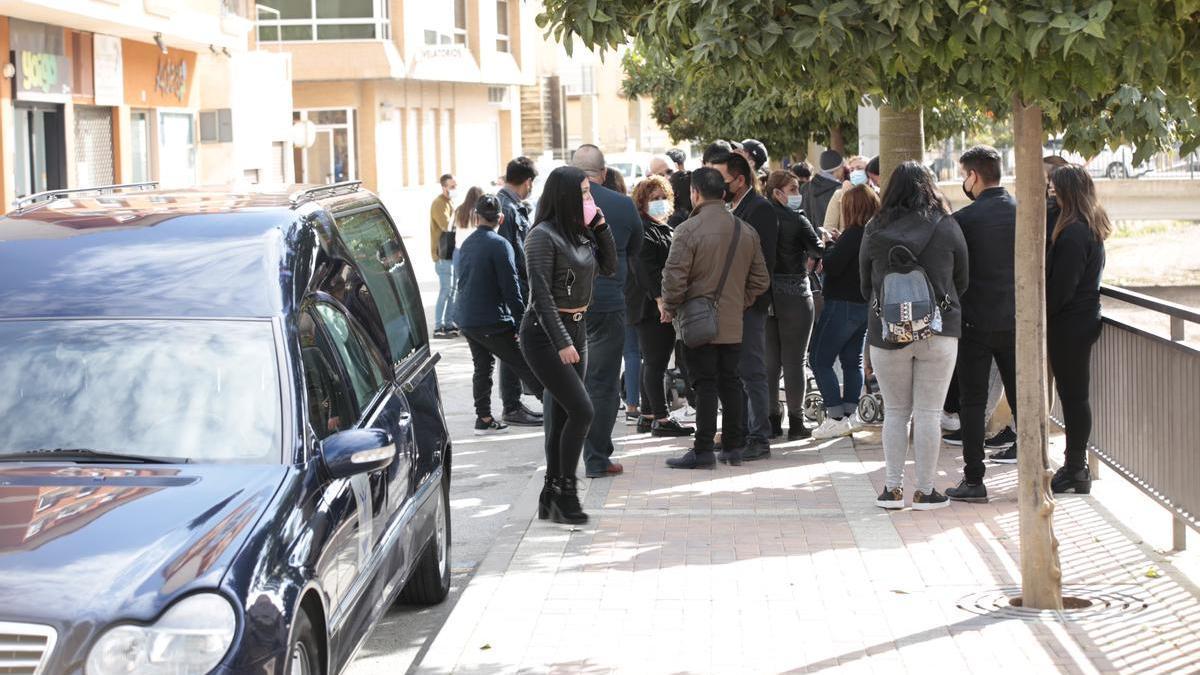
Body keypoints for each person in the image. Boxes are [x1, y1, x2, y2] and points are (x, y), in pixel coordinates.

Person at [860, 161, 969, 511]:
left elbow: (865, 285)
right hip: (938, 330)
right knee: (928, 412)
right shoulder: (947, 225)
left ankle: (891, 490)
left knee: (895, 411)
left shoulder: (874, 228)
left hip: (887, 331)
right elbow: (963, 279)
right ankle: (925, 490)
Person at [521, 166, 617, 523]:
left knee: (562, 416)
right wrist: (561, 341)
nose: (590, 199)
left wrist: (601, 226)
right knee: (583, 410)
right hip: (545, 333)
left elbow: (610, 267)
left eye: (590, 192)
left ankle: (551, 496)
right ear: (564, 197)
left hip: (578, 328)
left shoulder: (580, 234)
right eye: (583, 193)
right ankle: (566, 494)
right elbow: (541, 296)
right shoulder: (541, 237)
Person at [660, 167, 770, 469]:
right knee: (731, 382)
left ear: (695, 193)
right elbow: (761, 281)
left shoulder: (686, 231)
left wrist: (671, 306)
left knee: (705, 384)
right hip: (734, 322)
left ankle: (704, 449)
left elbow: (674, 278)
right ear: (723, 194)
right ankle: (733, 447)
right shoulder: (745, 231)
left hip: (697, 323)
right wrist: (738, 301)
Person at [943, 146, 1021, 505]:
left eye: (964, 175)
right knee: (1023, 399)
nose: (964, 183)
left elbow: (953, 273)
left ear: (973, 176)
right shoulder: (1023, 212)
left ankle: (974, 478)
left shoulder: (965, 220)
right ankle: (1035, 471)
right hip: (1018, 320)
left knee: (972, 402)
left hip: (974, 322)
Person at [573, 145, 643, 479]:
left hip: (563, 305)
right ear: (603, 172)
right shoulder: (621, 204)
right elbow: (637, 247)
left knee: (562, 382)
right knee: (601, 384)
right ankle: (597, 458)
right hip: (606, 303)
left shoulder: (553, 203)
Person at [454, 194, 545, 435]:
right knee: (524, 363)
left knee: (482, 366)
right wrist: (520, 322)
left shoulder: (466, 244)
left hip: (468, 318)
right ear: (501, 218)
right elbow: (511, 288)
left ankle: (483, 418)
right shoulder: (500, 244)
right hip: (491, 320)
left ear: (476, 217)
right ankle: (558, 408)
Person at [710, 152, 779, 461]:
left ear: (740, 179)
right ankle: (737, 431)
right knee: (734, 372)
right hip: (729, 304)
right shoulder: (729, 207)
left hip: (748, 305)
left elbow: (763, 264)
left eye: (722, 180)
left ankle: (759, 437)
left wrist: (747, 300)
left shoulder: (760, 209)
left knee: (752, 371)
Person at [1045, 165, 1110, 495]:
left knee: (1073, 397)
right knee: (1075, 396)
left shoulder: (1072, 232)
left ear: (1067, 193)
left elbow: (1061, 289)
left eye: (1055, 190)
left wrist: (1042, 314)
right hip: (1082, 319)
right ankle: (1076, 466)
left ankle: (1075, 468)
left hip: (1069, 323)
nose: (1050, 195)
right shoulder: (1090, 224)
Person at [627, 175, 695, 437]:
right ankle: (662, 418)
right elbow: (647, 269)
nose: (659, 202)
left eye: (663, 197)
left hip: (655, 303)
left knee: (652, 361)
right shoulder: (644, 229)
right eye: (653, 198)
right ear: (642, 202)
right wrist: (660, 300)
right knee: (656, 363)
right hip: (652, 306)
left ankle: (648, 414)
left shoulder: (660, 226)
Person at [810, 185, 876, 440]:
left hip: (841, 304)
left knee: (819, 359)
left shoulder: (853, 234)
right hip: (862, 305)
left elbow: (834, 266)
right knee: (852, 360)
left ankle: (836, 416)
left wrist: (828, 245)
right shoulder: (871, 233)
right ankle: (851, 414)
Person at [763, 170, 823, 440]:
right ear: (778, 192)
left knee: (770, 362)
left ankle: (772, 418)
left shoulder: (758, 217)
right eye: (793, 189)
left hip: (765, 295)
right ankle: (797, 422)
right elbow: (818, 248)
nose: (797, 195)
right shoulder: (797, 220)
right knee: (795, 361)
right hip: (795, 293)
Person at [496, 156, 544, 427]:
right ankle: (512, 405)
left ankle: (514, 403)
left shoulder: (511, 205)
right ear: (527, 182)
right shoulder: (508, 208)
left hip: (518, 286)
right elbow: (511, 255)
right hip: (513, 288)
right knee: (512, 346)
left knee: (514, 346)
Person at [430, 173, 458, 338]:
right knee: (445, 290)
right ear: (444, 187)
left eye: (455, 186)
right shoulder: (439, 204)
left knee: (452, 290)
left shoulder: (450, 202)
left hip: (451, 254)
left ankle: (449, 324)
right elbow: (446, 226)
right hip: (442, 255)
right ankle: (438, 326)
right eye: (452, 186)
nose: (455, 189)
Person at [822, 155, 871, 232]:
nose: (855, 172)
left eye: (859, 168)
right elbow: (829, 227)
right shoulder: (839, 195)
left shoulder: (877, 194)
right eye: (852, 170)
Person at [802, 149, 845, 231]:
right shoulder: (839, 190)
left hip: (809, 240)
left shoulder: (805, 187)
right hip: (831, 240)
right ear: (839, 168)